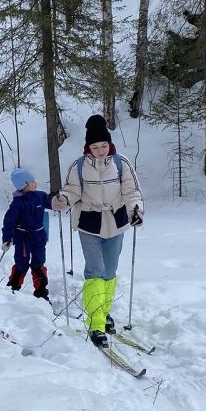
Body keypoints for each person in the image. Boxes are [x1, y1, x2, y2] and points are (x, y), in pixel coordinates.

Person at [51, 114, 144, 347]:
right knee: (95, 271)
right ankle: (96, 323)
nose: (100, 151)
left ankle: (103, 312)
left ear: (109, 144)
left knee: (109, 272)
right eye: (95, 147)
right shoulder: (79, 166)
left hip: (116, 222)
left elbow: (132, 192)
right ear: (88, 148)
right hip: (89, 223)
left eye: (103, 145)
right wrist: (62, 200)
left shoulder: (121, 163)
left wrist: (136, 210)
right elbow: (72, 192)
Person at [1, 167, 50, 300]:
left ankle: (41, 291)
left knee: (39, 263)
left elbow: (51, 202)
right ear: (25, 185)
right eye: (32, 182)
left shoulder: (40, 196)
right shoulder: (18, 203)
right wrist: (7, 238)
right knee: (21, 263)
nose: (36, 183)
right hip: (23, 237)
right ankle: (14, 288)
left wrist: (58, 199)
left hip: (39, 236)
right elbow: (9, 221)